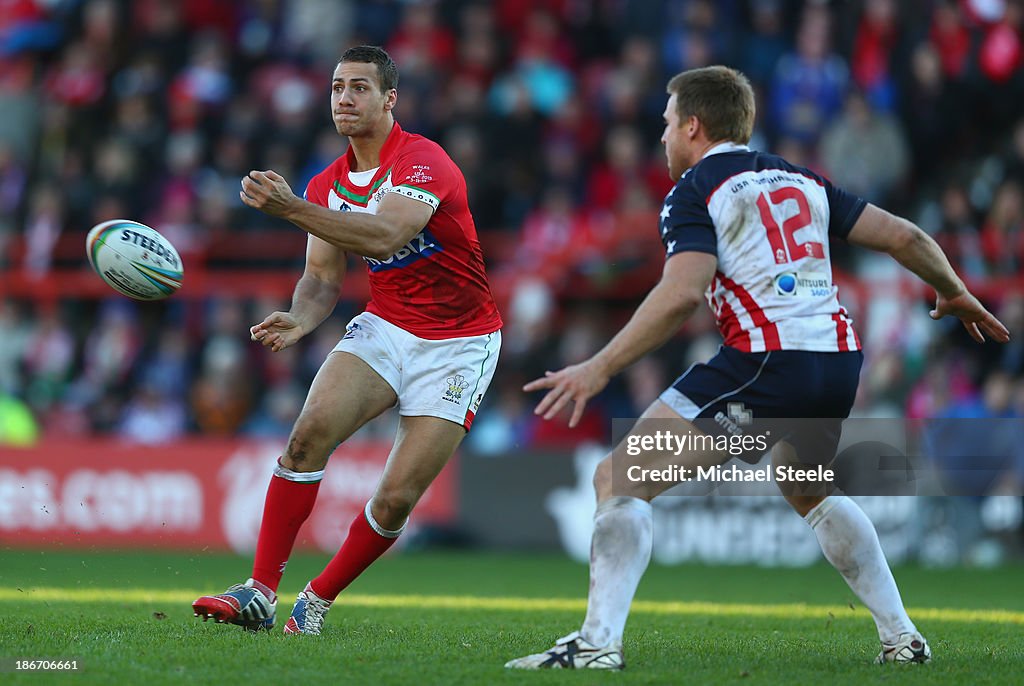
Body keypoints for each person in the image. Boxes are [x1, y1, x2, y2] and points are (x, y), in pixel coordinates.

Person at [506, 65, 1010, 670]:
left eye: (667, 124)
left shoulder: (694, 190)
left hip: (767, 363)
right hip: (837, 361)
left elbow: (682, 292)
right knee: (807, 484)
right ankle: (902, 637)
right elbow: (903, 236)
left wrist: (599, 365)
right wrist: (953, 288)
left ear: (693, 126)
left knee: (620, 479)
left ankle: (595, 645)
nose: (661, 137)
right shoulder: (800, 178)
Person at [192, 45, 502, 635]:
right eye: (337, 88)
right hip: (386, 325)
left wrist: (288, 208)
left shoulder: (423, 161)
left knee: (394, 500)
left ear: (389, 100)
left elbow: (385, 235)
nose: (344, 98)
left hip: (460, 343)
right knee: (306, 438)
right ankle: (259, 592)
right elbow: (322, 277)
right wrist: (302, 317)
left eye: (359, 87)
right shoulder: (327, 183)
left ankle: (318, 597)